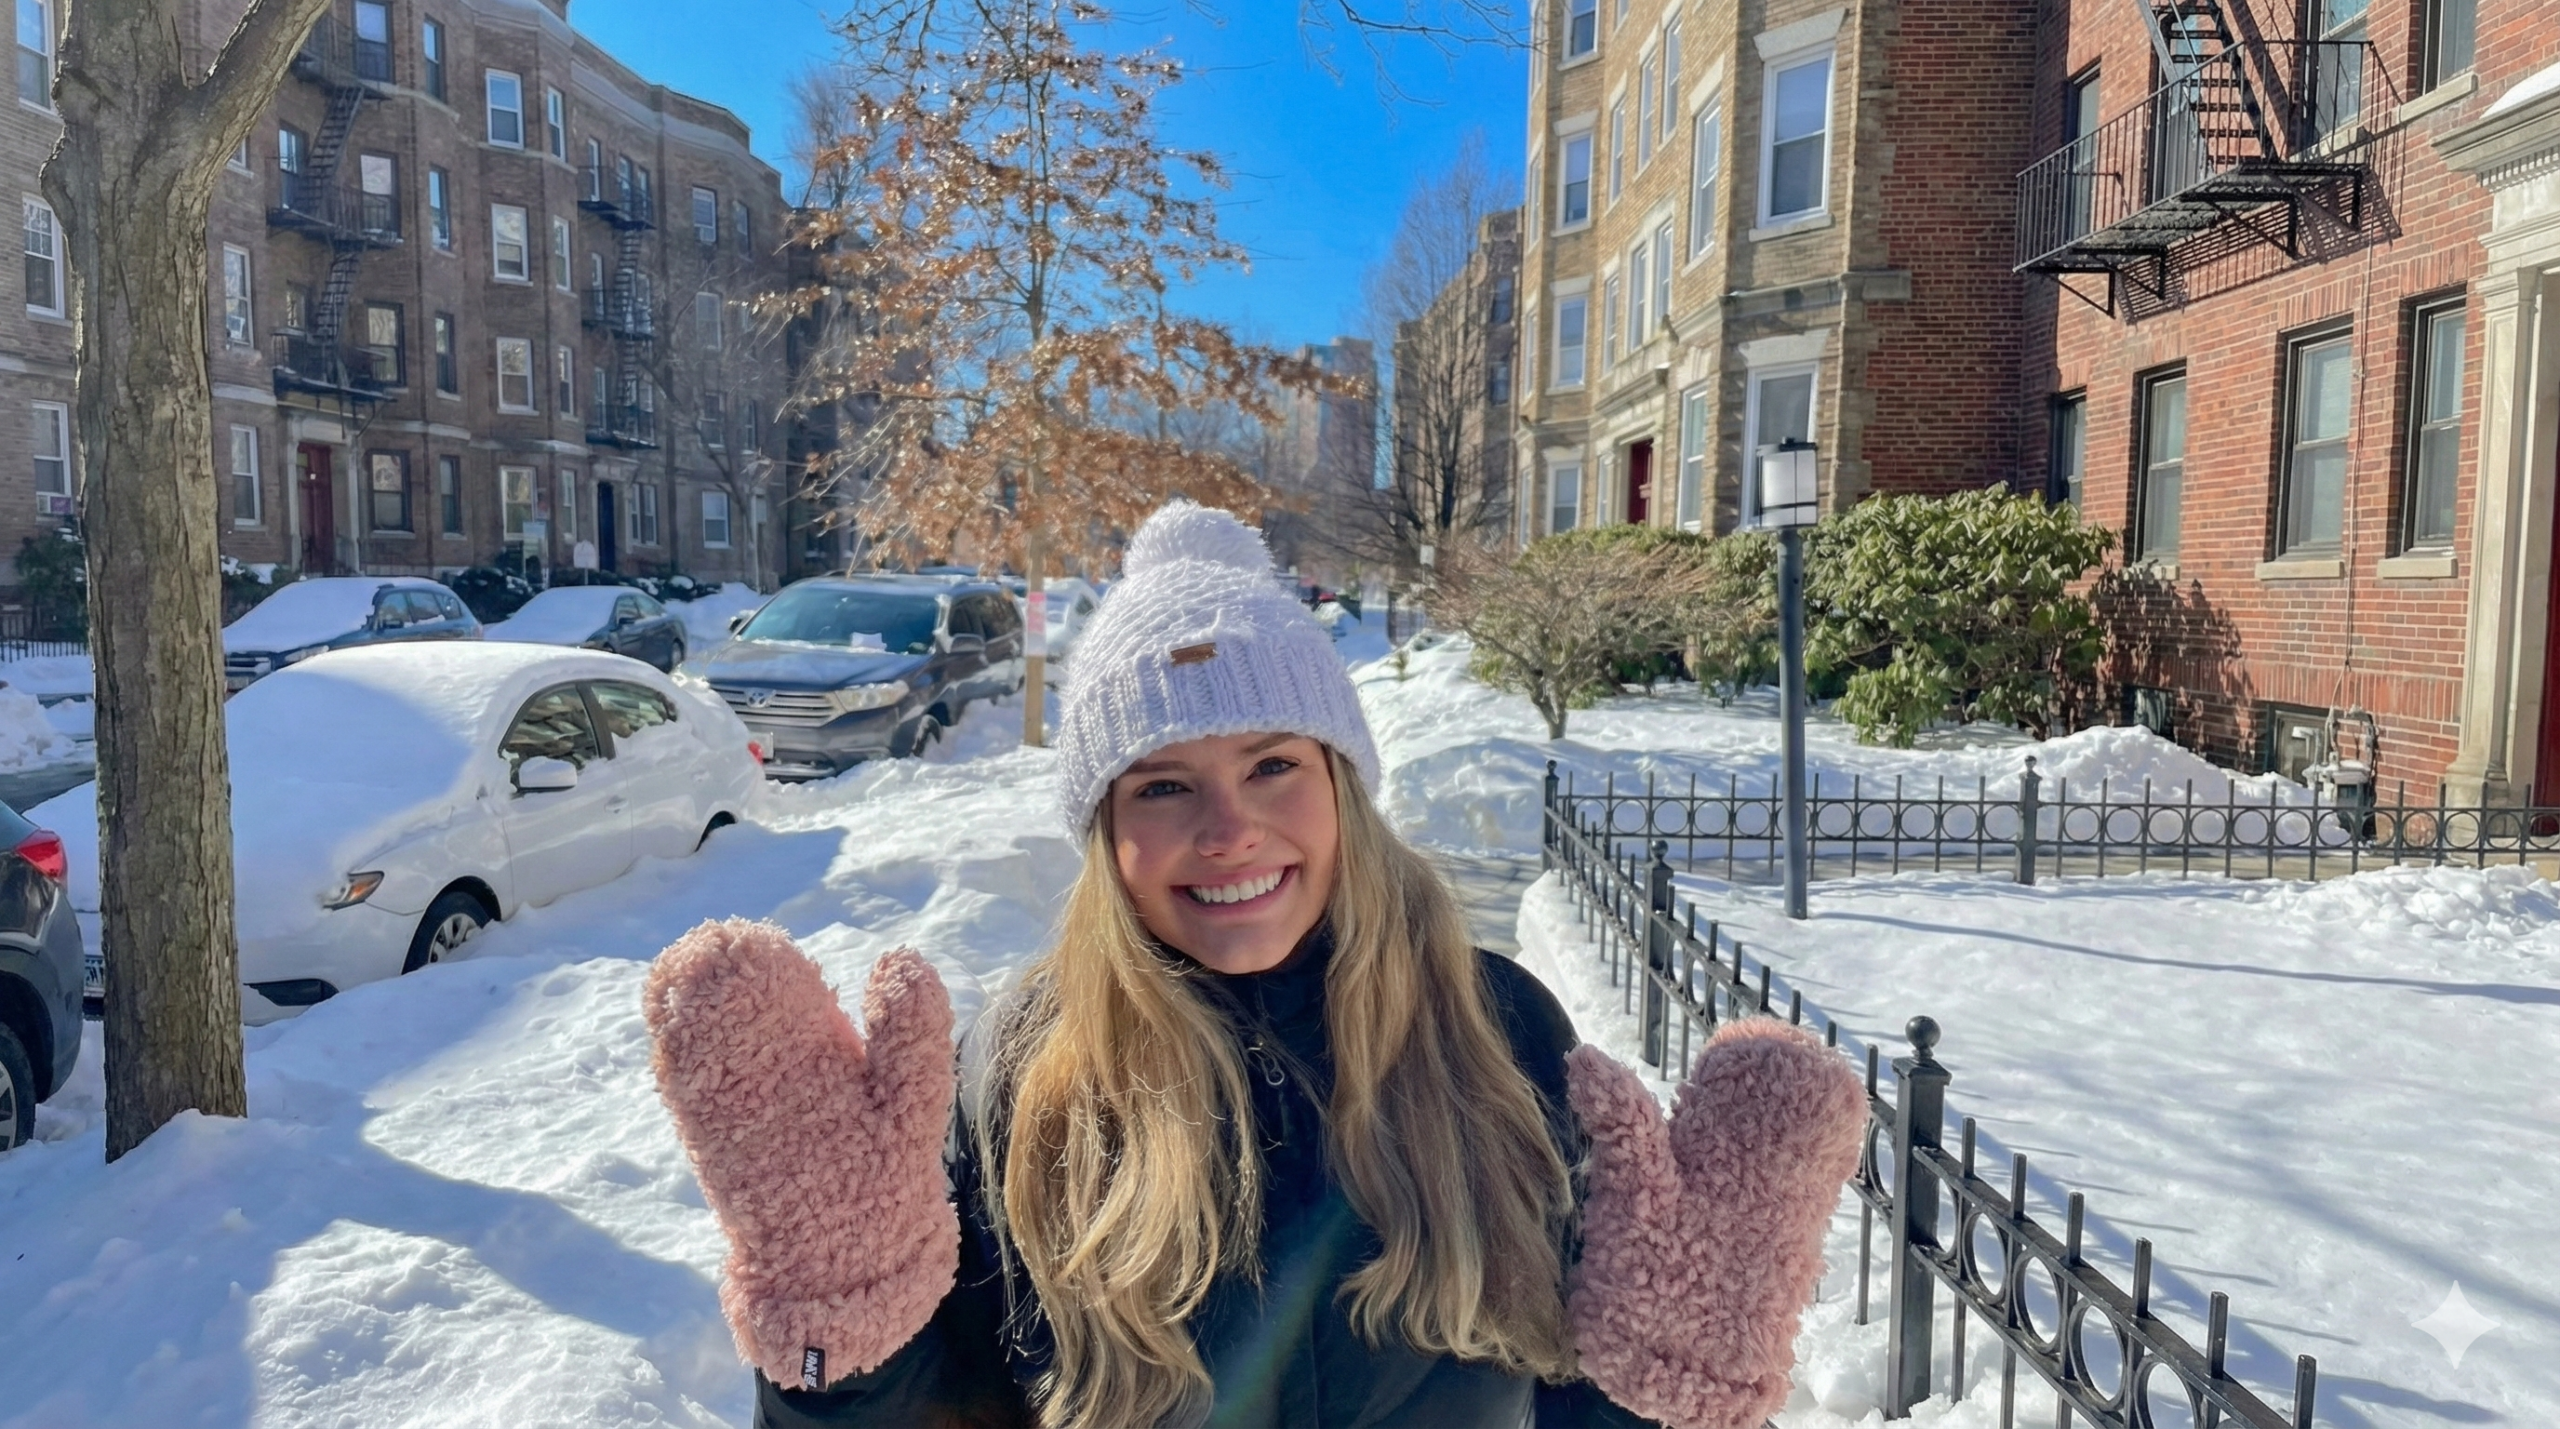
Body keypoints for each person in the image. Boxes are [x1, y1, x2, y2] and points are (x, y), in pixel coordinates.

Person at [646, 502, 1865, 1429]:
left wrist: (1666, 1390)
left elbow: (1564, 1394)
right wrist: (837, 1344)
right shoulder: (1021, 1074)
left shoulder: (1498, 1030)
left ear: (1343, 786)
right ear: (1105, 830)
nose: (1228, 830)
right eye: (1164, 785)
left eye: (1273, 764)